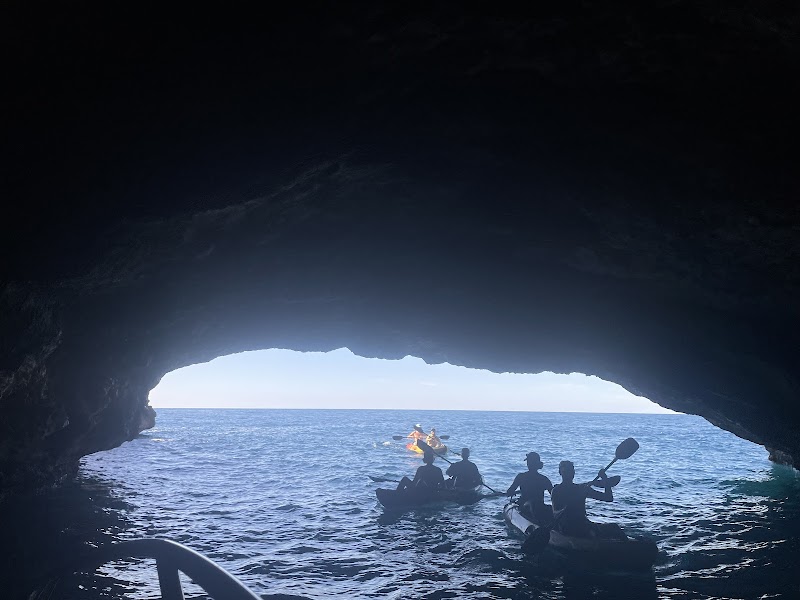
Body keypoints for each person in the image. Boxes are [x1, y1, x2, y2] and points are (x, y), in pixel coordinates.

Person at [550, 460, 622, 538]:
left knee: (614, 527)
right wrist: (567, 507)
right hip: (567, 527)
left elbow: (608, 498)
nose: (568, 473)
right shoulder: (556, 490)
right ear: (560, 473)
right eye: (565, 471)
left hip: (583, 524)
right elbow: (555, 513)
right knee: (609, 529)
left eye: (570, 471)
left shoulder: (582, 488)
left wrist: (605, 480)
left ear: (574, 473)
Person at [506, 452, 553, 525]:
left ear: (528, 464)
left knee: (531, 504)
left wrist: (512, 492)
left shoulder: (521, 477)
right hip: (540, 507)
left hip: (525, 507)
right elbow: (554, 495)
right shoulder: (544, 479)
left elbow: (509, 492)